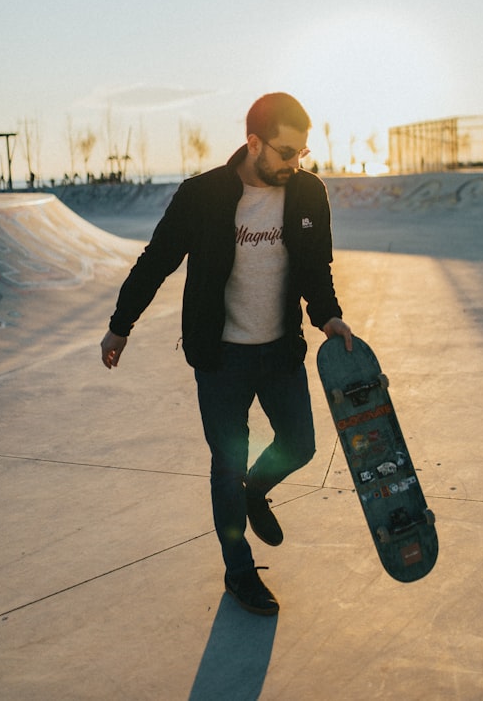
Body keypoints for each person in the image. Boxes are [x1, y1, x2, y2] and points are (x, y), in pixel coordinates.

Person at [101, 92, 352, 616]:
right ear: (254, 142)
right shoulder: (203, 195)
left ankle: (255, 490)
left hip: (280, 350)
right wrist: (120, 326)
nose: (294, 163)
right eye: (285, 152)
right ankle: (239, 572)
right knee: (225, 465)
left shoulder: (308, 194)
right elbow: (157, 261)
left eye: (301, 153)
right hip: (222, 359)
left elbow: (316, 268)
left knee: (300, 445)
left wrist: (328, 316)